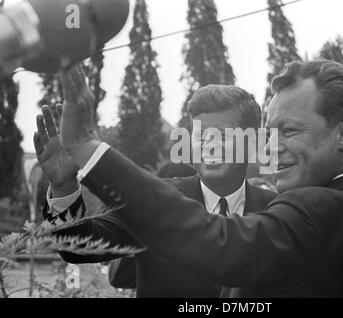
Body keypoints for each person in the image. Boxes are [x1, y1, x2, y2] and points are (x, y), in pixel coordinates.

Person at [56, 60, 343, 297]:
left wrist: (89, 147)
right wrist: (62, 186)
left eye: (289, 131)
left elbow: (219, 245)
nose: (273, 146)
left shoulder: (310, 205)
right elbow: (75, 244)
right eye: (270, 133)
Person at [35, 85, 276, 297]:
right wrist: (64, 186)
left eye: (222, 135)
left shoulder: (276, 210)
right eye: (200, 135)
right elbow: (78, 246)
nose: (209, 145)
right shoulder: (154, 200)